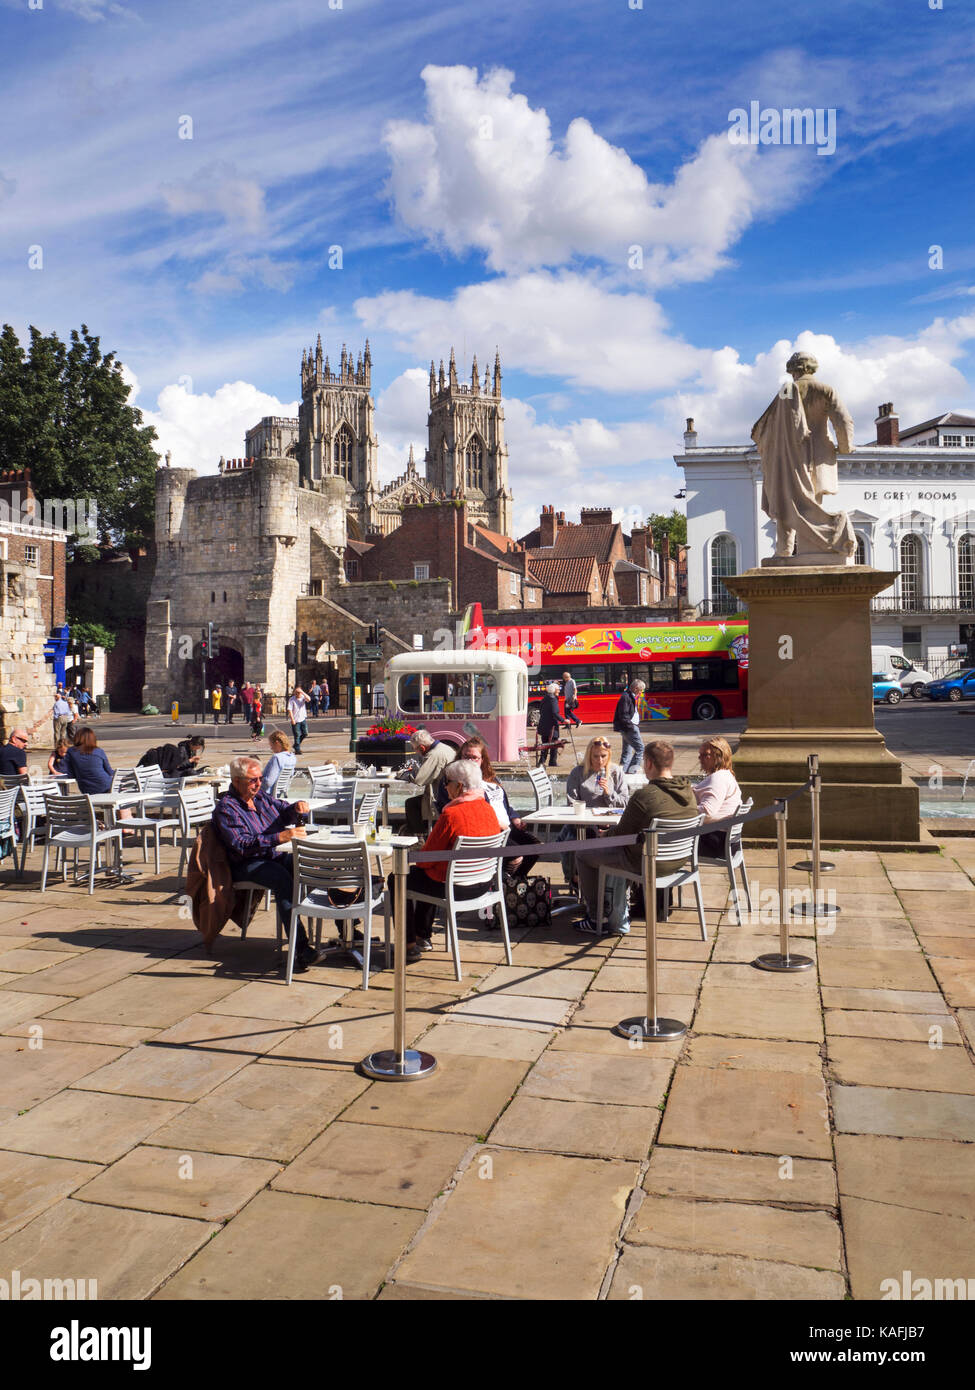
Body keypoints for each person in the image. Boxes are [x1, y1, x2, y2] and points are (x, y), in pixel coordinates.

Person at [211, 755, 321, 973]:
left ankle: (347, 930)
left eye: (260, 779)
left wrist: (297, 808)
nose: (258, 784)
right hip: (245, 863)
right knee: (282, 880)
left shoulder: (261, 797)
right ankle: (301, 948)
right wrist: (278, 838)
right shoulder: (227, 808)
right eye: (253, 780)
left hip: (271, 855)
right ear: (236, 781)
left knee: (311, 866)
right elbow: (241, 845)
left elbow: (284, 810)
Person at [575, 739, 698, 936]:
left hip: (647, 863)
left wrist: (604, 833)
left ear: (648, 763)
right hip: (679, 861)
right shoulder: (688, 791)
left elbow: (621, 833)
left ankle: (597, 917)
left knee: (583, 853)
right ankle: (613, 909)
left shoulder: (645, 796)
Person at [392, 759, 501, 961]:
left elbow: (427, 858)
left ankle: (408, 945)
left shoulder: (452, 813)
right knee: (429, 874)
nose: (444, 786)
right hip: (483, 883)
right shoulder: (488, 810)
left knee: (399, 877)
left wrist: (412, 857)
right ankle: (422, 935)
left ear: (459, 786)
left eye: (447, 781)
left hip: (455, 887)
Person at [751, 350, 856, 559]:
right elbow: (843, 421)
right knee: (811, 502)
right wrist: (845, 447)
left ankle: (784, 549)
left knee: (786, 500)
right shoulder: (825, 390)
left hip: (789, 455)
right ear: (812, 368)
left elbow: (770, 424)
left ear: (792, 370)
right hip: (819, 453)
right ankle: (814, 549)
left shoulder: (786, 392)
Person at [435, 736, 541, 879]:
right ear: (460, 756)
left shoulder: (491, 778)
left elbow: (503, 804)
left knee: (535, 847)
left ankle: (515, 883)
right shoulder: (453, 781)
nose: (470, 761)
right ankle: (503, 883)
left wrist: (514, 817)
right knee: (516, 856)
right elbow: (456, 808)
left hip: (507, 826)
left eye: (475, 758)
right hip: (490, 830)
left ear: (482, 760)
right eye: (466, 756)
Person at [558, 736, 629, 891]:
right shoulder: (578, 773)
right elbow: (572, 802)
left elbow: (624, 802)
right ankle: (577, 881)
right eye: (595, 756)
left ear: (609, 755)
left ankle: (612, 886)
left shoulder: (616, 772)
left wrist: (608, 793)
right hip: (583, 825)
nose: (599, 760)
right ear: (589, 755)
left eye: (603, 756)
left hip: (610, 825)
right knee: (572, 841)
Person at [694, 735, 742, 858]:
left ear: (719, 756)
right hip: (727, 841)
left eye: (705, 755)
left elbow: (707, 812)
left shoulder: (718, 778)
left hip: (716, 843)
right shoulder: (726, 775)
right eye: (700, 755)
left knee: (657, 841)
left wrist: (681, 811)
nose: (700, 758)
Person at [404, 729, 456, 834]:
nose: (416, 752)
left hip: (441, 797)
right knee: (415, 802)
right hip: (450, 792)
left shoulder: (433, 755)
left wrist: (404, 775)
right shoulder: (445, 747)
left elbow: (419, 780)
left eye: (416, 750)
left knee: (411, 804)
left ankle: (419, 837)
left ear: (422, 748)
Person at [62, 726, 115, 794]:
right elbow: (109, 771)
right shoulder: (99, 751)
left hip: (87, 788)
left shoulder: (71, 751)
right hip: (107, 786)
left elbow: (71, 775)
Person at [613, 679, 646, 774]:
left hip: (628, 727)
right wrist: (631, 727)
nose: (641, 692)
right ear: (636, 688)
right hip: (629, 728)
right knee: (640, 749)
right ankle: (632, 771)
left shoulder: (629, 696)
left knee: (627, 752)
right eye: (640, 690)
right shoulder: (626, 697)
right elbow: (623, 714)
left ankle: (622, 773)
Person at [138, 737, 206, 777]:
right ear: (191, 744)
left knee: (205, 768)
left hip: (168, 774)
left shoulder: (192, 750)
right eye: (196, 748)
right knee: (191, 772)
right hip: (165, 775)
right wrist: (190, 760)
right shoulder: (181, 750)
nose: (196, 750)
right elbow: (178, 766)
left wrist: (194, 762)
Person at [536, 681, 567, 767]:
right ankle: (552, 762)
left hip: (543, 725)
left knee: (545, 744)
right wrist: (564, 720)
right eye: (558, 689)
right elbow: (555, 713)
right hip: (551, 726)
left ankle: (541, 762)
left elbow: (541, 710)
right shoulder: (553, 699)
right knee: (554, 744)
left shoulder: (545, 698)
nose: (559, 691)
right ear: (553, 690)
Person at [261, 729, 296, 796]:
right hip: (280, 793)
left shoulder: (277, 758)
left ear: (277, 743)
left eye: (271, 745)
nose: (271, 748)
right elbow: (290, 776)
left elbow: (268, 782)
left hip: (268, 794)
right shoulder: (292, 757)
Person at [288, 687, 309, 754]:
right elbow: (290, 710)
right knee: (297, 735)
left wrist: (302, 692)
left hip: (302, 718)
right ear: (295, 693)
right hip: (296, 720)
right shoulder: (292, 699)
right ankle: (297, 750)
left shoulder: (303, 697)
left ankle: (296, 745)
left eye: (299, 693)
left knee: (305, 733)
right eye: (297, 693)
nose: (298, 694)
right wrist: (292, 719)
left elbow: (309, 699)